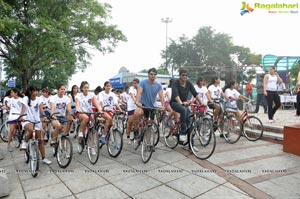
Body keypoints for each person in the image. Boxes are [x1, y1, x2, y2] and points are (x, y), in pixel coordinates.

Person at [20, 86, 52, 165]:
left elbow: (41, 110)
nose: (36, 92)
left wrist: (44, 116)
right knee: (32, 130)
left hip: (36, 121)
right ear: (30, 92)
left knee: (40, 140)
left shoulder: (39, 99)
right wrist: (21, 116)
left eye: (37, 91)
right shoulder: (26, 99)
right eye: (34, 91)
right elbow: (23, 109)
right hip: (26, 120)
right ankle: (25, 141)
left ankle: (44, 158)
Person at [170, 69, 203, 142]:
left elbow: (195, 93)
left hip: (184, 103)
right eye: (183, 75)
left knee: (190, 120)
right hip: (175, 103)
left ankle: (191, 145)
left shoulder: (188, 83)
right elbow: (175, 95)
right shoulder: (175, 83)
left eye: (186, 75)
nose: (184, 76)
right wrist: (181, 102)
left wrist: (201, 102)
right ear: (180, 76)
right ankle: (182, 132)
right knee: (183, 110)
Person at [133, 68, 165, 137]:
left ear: (156, 76)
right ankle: (136, 129)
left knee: (150, 125)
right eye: (151, 74)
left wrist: (163, 105)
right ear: (148, 75)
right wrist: (137, 102)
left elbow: (161, 96)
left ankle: (148, 144)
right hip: (143, 105)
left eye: (154, 74)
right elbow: (139, 93)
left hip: (152, 106)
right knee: (136, 113)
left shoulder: (158, 85)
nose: (153, 75)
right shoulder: (143, 83)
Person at [123, 78, 139, 143]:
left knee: (137, 123)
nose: (134, 84)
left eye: (136, 83)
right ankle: (128, 136)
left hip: (138, 107)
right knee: (130, 122)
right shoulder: (131, 89)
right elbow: (133, 96)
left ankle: (136, 135)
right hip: (131, 107)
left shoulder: (140, 88)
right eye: (133, 83)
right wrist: (136, 102)